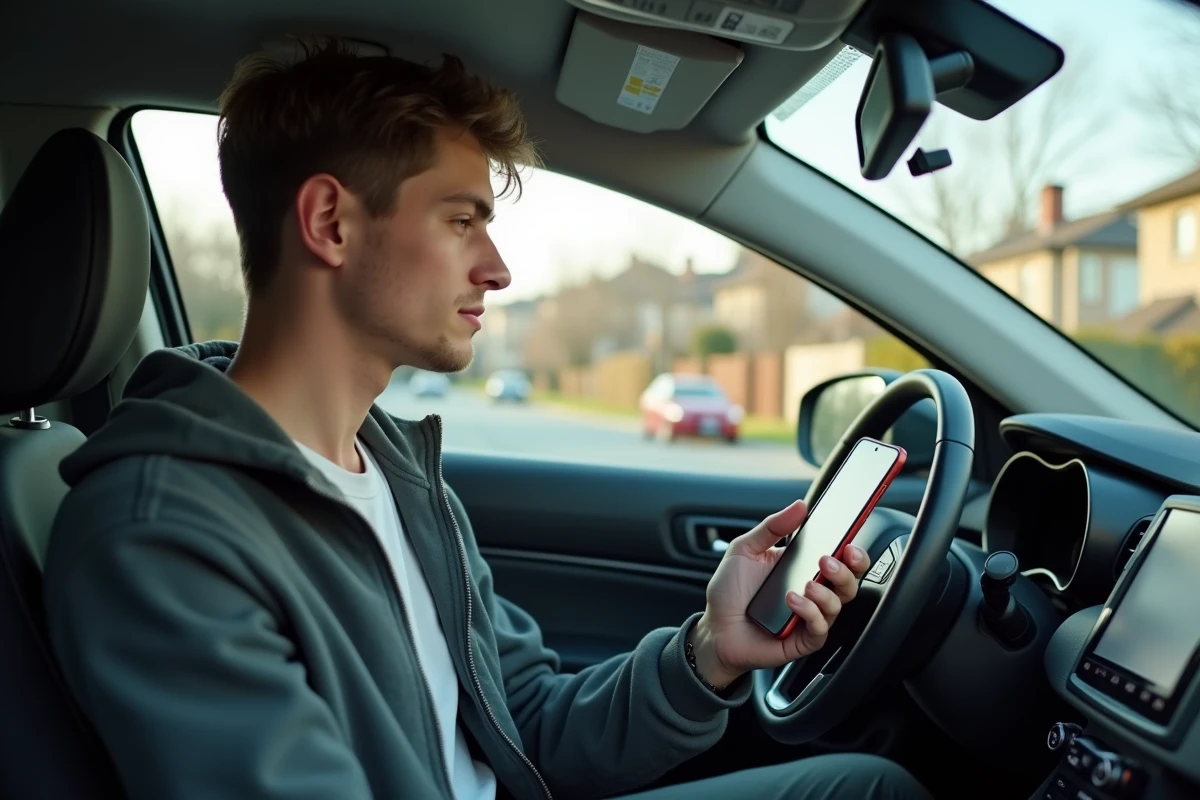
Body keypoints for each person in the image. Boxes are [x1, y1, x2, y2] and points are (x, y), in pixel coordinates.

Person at [43, 39, 931, 800]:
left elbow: (527, 725)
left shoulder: (393, 469)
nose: (498, 268)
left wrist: (711, 652)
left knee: (867, 786)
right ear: (330, 222)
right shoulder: (160, 533)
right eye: (462, 220)